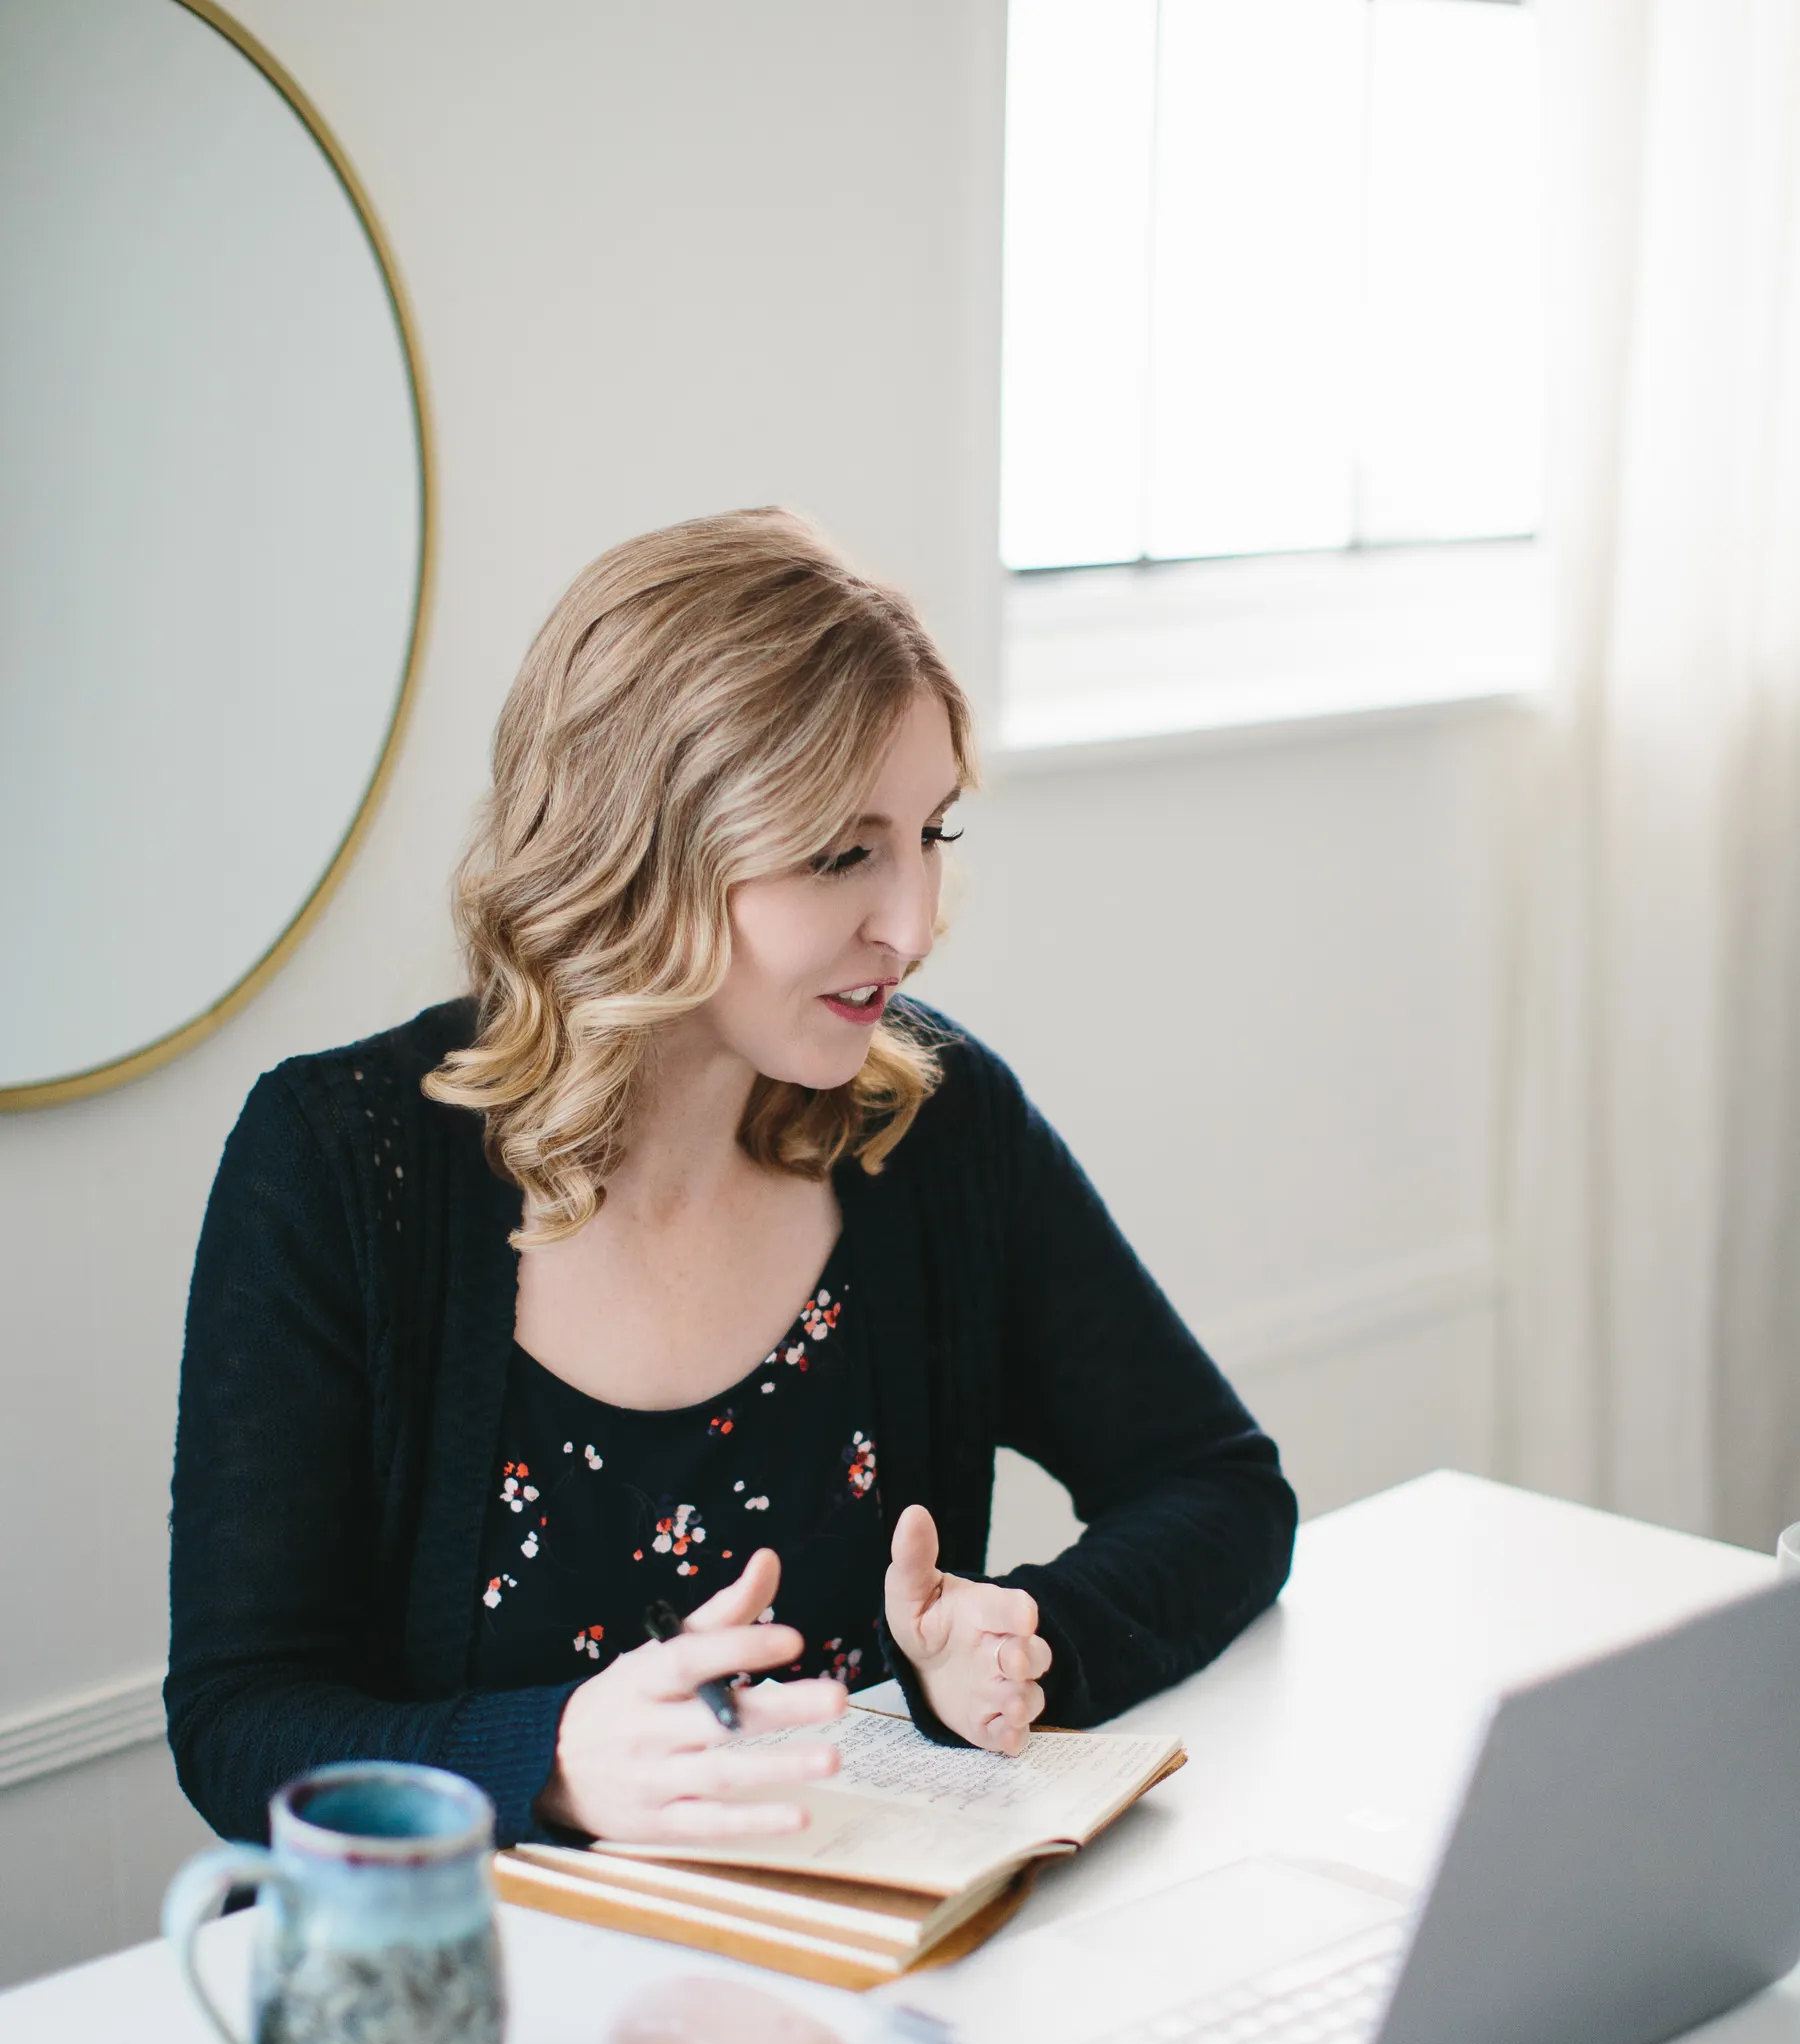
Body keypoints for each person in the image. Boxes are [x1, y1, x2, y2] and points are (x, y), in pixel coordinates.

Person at [166, 509, 1296, 1850]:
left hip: (864, 1956)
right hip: (476, 1984)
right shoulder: (342, 1164)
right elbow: (241, 1719)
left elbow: (1220, 1490)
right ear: (644, 847)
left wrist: (1020, 1647)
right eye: (841, 853)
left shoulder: (932, 1127)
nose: (914, 924)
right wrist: (554, 1760)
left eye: (932, 833)